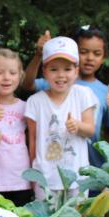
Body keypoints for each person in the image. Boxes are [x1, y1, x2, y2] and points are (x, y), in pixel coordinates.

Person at [23, 27, 109, 166]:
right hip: (50, 166)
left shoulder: (103, 91)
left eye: (97, 53)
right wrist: (39, 55)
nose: (90, 58)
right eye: (84, 52)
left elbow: (108, 131)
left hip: (89, 165)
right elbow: (27, 84)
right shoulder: (52, 83)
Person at [25, 37, 97, 196]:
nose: (60, 75)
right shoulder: (34, 102)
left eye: (67, 69)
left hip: (77, 176)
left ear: (76, 71)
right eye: (54, 69)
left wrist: (77, 126)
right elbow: (33, 141)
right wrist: (32, 173)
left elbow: (90, 129)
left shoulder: (83, 94)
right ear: (44, 71)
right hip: (45, 178)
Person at [0, 49, 34, 207]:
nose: (6, 78)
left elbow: (35, 140)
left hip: (20, 180)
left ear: (20, 76)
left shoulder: (26, 107)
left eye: (12, 73)